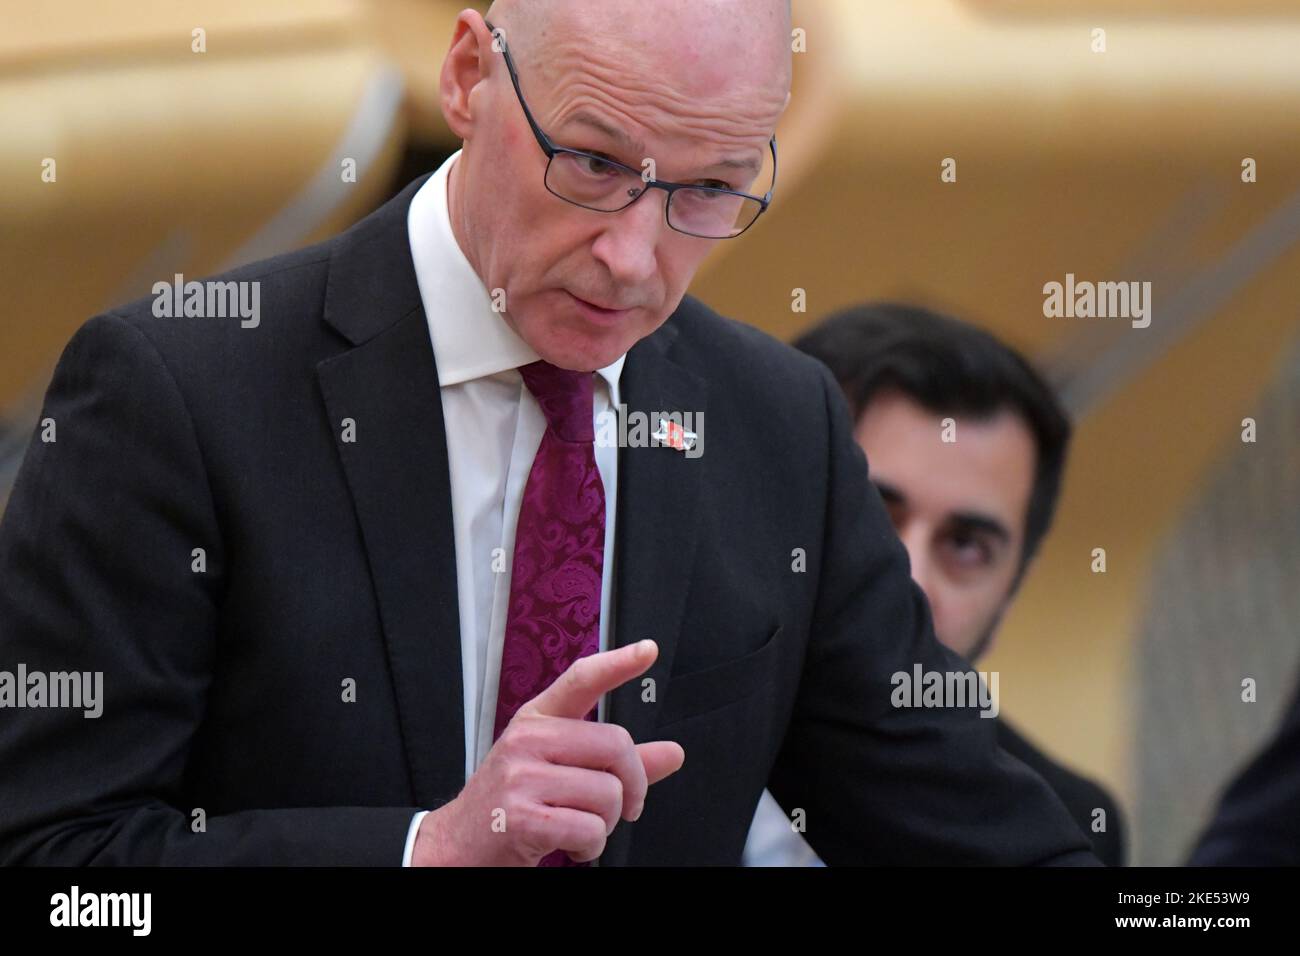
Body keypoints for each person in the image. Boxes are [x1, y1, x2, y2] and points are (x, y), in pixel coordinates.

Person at [0, 2, 1096, 866]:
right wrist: (423, 852)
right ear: (469, 74)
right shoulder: (180, 391)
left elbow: (975, 832)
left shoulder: (781, 425)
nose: (632, 257)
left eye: (709, 188)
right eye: (595, 162)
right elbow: (58, 866)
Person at [745, 304, 1125, 866]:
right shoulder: (623, 722)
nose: (909, 580)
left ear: (1012, 589)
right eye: (868, 516)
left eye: (966, 546)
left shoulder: (1065, 822)